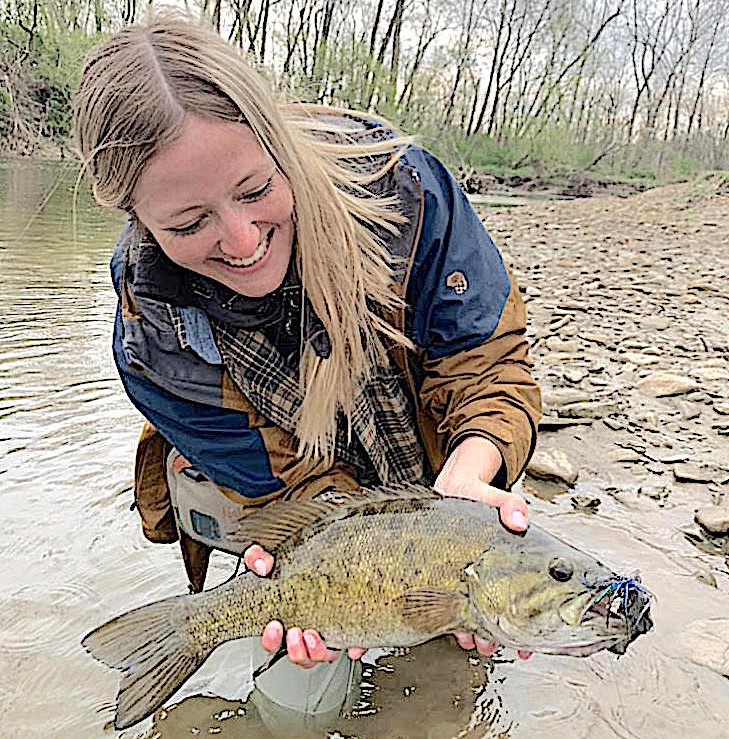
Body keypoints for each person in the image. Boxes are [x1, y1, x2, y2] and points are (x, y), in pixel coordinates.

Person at [72, 12, 541, 724]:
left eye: (255, 189)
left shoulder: (404, 192)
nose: (240, 239)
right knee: (299, 699)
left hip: (435, 473)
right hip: (299, 500)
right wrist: (320, 583)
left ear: (277, 141)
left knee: (453, 674)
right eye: (189, 224)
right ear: (136, 218)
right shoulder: (153, 342)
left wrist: (466, 482)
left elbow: (486, 363)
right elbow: (298, 487)